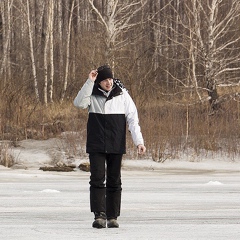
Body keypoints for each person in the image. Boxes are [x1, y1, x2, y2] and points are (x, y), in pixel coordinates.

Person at [73, 65, 146, 229]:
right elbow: (78, 104)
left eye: (110, 79)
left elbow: (133, 119)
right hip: (96, 143)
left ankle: (113, 216)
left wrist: (139, 142)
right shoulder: (91, 94)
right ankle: (99, 215)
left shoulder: (122, 95)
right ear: (98, 81)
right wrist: (89, 82)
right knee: (97, 179)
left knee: (114, 181)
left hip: (115, 143)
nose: (108, 82)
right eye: (105, 80)